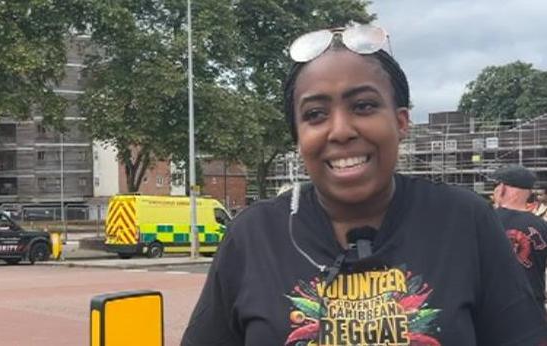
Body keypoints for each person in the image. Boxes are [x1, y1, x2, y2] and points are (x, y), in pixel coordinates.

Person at [182, 23, 547, 345]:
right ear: (298, 137)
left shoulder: (465, 221)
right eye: (315, 115)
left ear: (402, 122)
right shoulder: (253, 234)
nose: (340, 130)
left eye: (364, 106)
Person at [492, 165, 547, 313]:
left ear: (502, 188)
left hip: (493, 310)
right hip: (532, 309)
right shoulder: (542, 225)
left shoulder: (485, 221)